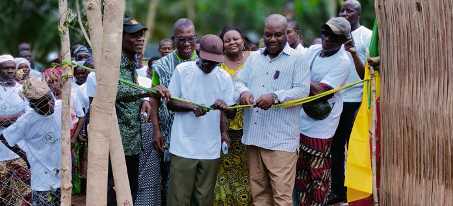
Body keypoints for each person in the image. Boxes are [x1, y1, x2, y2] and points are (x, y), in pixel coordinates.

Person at [233, 14, 310, 206]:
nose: (272, 39)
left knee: (282, 198)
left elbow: (302, 91)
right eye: (268, 35)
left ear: (286, 34)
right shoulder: (254, 59)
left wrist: (275, 97)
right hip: (254, 136)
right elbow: (239, 80)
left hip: (280, 141)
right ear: (263, 34)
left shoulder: (298, 59)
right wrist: (243, 92)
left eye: (277, 34)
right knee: (259, 195)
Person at [106, 17, 171, 205]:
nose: (140, 39)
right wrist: (148, 91)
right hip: (118, 140)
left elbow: (129, 88)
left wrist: (142, 100)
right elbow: (114, 90)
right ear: (120, 37)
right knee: (115, 190)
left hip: (132, 141)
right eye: (134, 35)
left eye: (141, 34)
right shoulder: (114, 60)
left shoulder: (130, 60)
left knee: (130, 189)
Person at [166, 34, 235, 205]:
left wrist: (225, 107)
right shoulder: (183, 71)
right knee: (178, 198)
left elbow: (232, 113)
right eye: (207, 61)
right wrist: (192, 107)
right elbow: (170, 103)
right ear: (198, 53)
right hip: (183, 146)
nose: (210, 66)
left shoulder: (224, 77)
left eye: (215, 62)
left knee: (204, 199)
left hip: (210, 148)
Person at [295, 17, 351, 206]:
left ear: (343, 40)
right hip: (302, 117)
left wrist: (300, 76)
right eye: (325, 33)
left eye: (333, 37)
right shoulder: (312, 51)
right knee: (301, 170)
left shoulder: (343, 62)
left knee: (318, 172)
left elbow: (321, 93)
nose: (327, 39)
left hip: (322, 122)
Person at [328, 1, 372, 204]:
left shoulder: (367, 36)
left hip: (356, 101)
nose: (344, 13)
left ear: (359, 14)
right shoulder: (334, 37)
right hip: (336, 99)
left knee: (354, 148)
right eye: (342, 10)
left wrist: (354, 53)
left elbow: (368, 75)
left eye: (349, 10)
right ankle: (339, 191)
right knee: (335, 148)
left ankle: (358, 192)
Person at [150, 18, 199, 201]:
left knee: (199, 183)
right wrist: (156, 130)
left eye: (190, 39)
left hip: (200, 132)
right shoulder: (161, 66)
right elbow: (154, 98)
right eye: (181, 39)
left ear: (196, 38)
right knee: (174, 181)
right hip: (172, 134)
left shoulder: (206, 62)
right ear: (173, 39)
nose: (186, 44)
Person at [0, 77, 62, 206]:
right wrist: (25, 156)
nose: (50, 104)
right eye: (43, 103)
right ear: (32, 105)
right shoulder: (27, 120)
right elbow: (4, 137)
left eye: (50, 99)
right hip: (42, 179)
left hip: (62, 173)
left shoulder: (60, 108)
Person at [212, 26, 252, 206]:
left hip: (252, 124)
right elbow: (218, 100)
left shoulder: (254, 59)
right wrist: (223, 132)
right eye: (227, 40)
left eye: (235, 38)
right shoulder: (218, 65)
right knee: (225, 171)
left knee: (251, 170)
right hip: (225, 127)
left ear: (243, 40)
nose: (232, 42)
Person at [0, 55, 32, 205]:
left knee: (23, 195)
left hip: (21, 151)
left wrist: (8, 120)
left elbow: (28, 118)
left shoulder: (23, 89)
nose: (10, 71)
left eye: (13, 68)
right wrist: (18, 116)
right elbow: (22, 117)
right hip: (0, 154)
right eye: (5, 68)